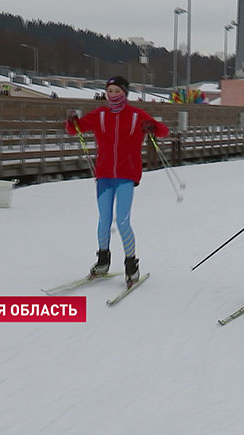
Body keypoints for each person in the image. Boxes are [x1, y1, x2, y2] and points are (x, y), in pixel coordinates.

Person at [65, 76, 169, 286]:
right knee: (104, 220)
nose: (112, 95)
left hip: (126, 176)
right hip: (104, 176)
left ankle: (131, 266)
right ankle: (103, 262)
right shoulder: (100, 115)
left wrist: (152, 127)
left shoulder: (136, 115)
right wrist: (72, 121)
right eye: (109, 91)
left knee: (122, 221)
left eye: (117, 91)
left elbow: (163, 131)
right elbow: (74, 129)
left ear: (125, 93)